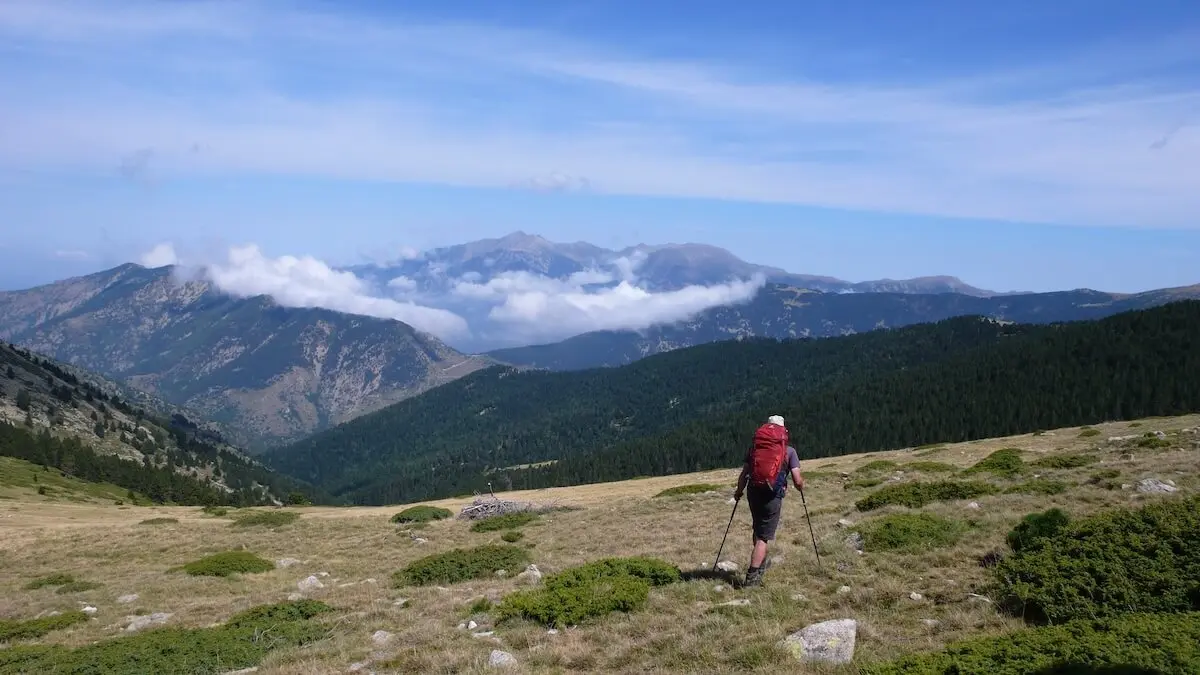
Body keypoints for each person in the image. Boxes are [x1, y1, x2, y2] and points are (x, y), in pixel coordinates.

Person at [733, 414, 804, 587]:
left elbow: (744, 474)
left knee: (758, 528)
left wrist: (738, 492)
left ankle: (760, 560)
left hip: (753, 492)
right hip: (772, 495)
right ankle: (752, 576)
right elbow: (797, 479)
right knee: (763, 537)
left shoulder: (754, 449)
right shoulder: (789, 451)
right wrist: (801, 486)